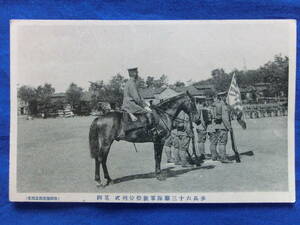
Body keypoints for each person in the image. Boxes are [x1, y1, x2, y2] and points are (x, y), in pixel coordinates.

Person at [120, 67, 155, 137]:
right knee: (149, 113)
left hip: (128, 103)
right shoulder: (132, 83)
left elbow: (138, 97)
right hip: (130, 105)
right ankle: (150, 132)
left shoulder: (129, 82)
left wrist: (145, 103)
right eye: (137, 72)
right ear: (134, 73)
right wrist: (144, 106)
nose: (138, 73)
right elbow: (136, 98)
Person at [207, 92, 232, 163]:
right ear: (221, 97)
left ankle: (214, 156)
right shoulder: (222, 105)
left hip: (214, 126)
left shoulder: (213, 104)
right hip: (222, 126)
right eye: (225, 96)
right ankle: (223, 158)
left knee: (214, 142)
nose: (226, 97)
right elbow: (225, 118)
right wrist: (229, 127)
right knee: (222, 143)